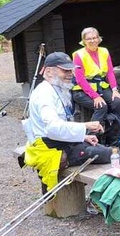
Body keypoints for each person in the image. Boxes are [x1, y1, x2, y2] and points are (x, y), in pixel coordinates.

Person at [22, 52, 111, 193]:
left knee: (102, 149)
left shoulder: (56, 88)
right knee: (109, 154)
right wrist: (85, 126)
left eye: (71, 70)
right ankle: (97, 196)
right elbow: (53, 128)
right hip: (50, 147)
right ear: (49, 72)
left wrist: (83, 136)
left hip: (58, 141)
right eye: (65, 70)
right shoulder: (44, 94)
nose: (70, 74)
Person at [71, 27, 120, 142]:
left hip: (101, 86)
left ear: (99, 39)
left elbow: (110, 72)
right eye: (89, 39)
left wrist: (115, 90)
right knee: (101, 106)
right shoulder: (78, 55)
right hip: (82, 90)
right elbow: (80, 80)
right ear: (83, 41)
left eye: (94, 38)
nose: (92, 41)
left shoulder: (104, 51)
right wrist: (95, 96)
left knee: (118, 102)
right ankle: (89, 138)